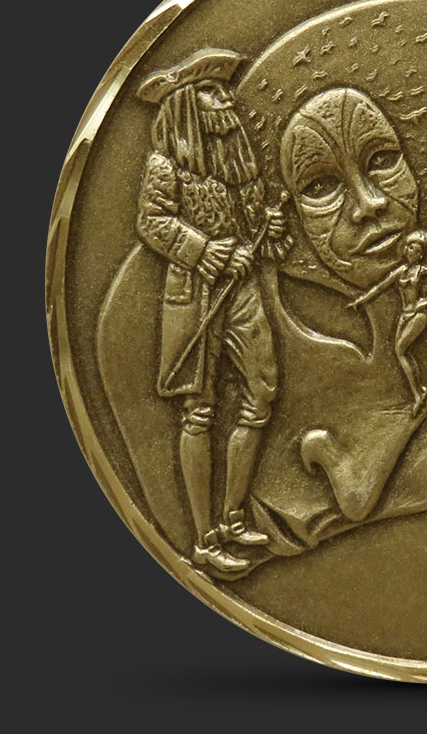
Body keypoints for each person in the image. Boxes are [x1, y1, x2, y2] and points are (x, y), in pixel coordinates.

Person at [136, 49, 287, 573]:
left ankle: (233, 517)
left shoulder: (236, 161)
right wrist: (207, 251)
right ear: (186, 105)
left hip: (241, 292)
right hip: (196, 294)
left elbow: (254, 229)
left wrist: (266, 230)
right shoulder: (165, 165)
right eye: (213, 92)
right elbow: (153, 223)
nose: (226, 101)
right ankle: (202, 540)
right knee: (200, 409)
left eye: (225, 91)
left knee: (262, 391)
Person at [348, 231, 427, 414]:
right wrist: (362, 300)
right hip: (404, 315)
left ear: (420, 254)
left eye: (414, 249)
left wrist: (423, 303)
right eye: (409, 247)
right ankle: (419, 391)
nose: (410, 251)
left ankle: (418, 395)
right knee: (401, 353)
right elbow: (380, 287)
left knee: (401, 350)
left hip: (418, 315)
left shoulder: (425, 272)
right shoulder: (401, 271)